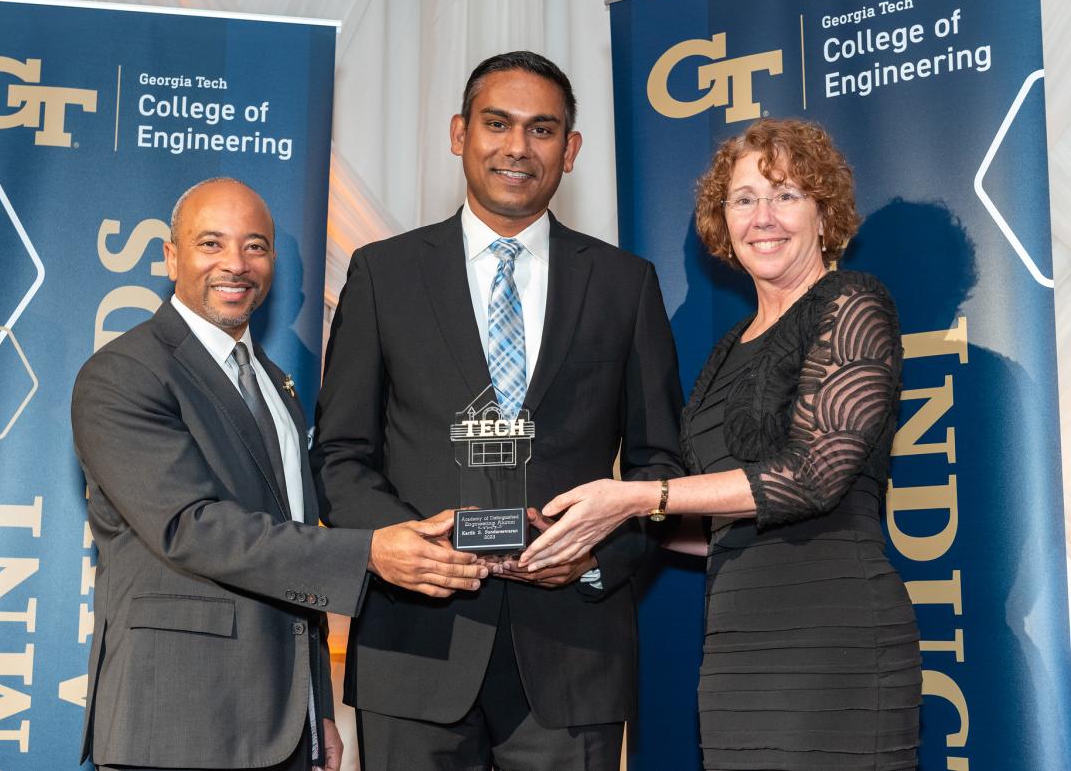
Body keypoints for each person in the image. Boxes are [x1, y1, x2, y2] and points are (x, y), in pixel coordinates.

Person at [312, 51, 684, 771]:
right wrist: (403, 547)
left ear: (570, 151)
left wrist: (591, 559)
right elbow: (340, 453)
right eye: (497, 124)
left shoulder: (623, 284)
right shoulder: (383, 274)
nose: (518, 147)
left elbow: (658, 466)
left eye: (542, 130)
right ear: (459, 133)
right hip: (414, 644)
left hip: (574, 653)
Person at [519, 118, 923, 771]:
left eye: (786, 194)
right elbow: (709, 520)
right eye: (743, 198)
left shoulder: (851, 303)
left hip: (834, 640)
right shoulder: (728, 350)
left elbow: (812, 475)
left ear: (825, 213)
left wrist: (635, 495)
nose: (763, 216)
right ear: (722, 221)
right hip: (736, 651)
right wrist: (578, 538)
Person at [71, 177, 486, 771]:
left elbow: (291, 549)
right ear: (170, 255)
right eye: (211, 243)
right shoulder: (123, 374)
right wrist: (369, 552)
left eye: (255, 246)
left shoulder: (275, 382)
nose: (235, 265)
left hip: (282, 725)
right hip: (176, 721)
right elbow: (192, 527)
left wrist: (315, 709)